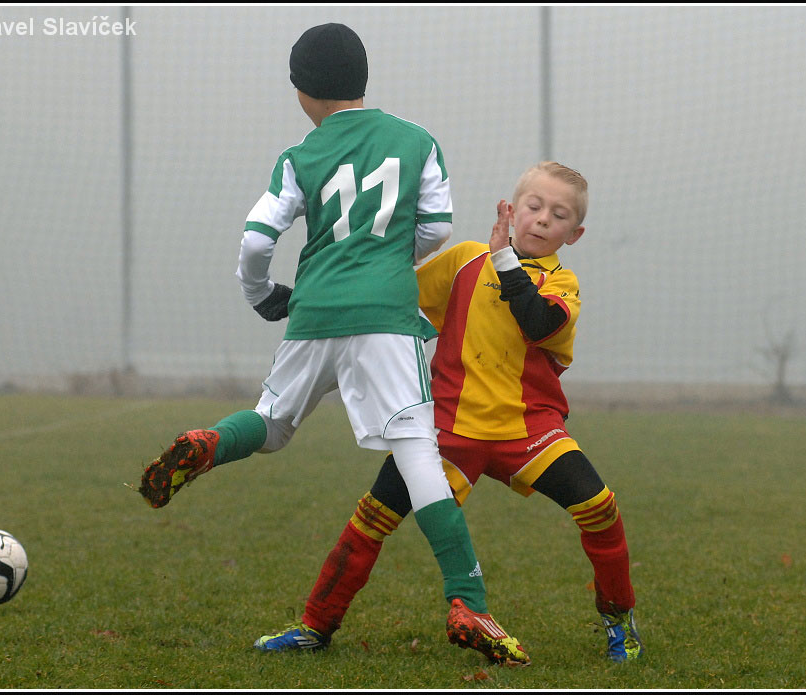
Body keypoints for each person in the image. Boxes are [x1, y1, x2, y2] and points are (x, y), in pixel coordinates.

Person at [136, 23, 528, 666]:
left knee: (270, 424)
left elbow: (257, 240)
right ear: (362, 78)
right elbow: (436, 228)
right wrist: (388, 257)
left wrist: (261, 294)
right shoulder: (417, 140)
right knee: (417, 455)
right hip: (386, 318)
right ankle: (468, 600)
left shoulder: (300, 156)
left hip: (313, 310)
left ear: (302, 91)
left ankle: (209, 443)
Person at [255, 162, 644, 663]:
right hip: (446, 432)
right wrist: (304, 301)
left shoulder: (561, 284)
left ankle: (619, 620)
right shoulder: (464, 261)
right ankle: (315, 626)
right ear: (512, 209)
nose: (544, 218)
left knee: (600, 509)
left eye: (559, 214)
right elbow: (391, 297)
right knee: (372, 517)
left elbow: (537, 322)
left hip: (529, 430)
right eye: (535, 206)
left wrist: (504, 260)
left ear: (575, 234)